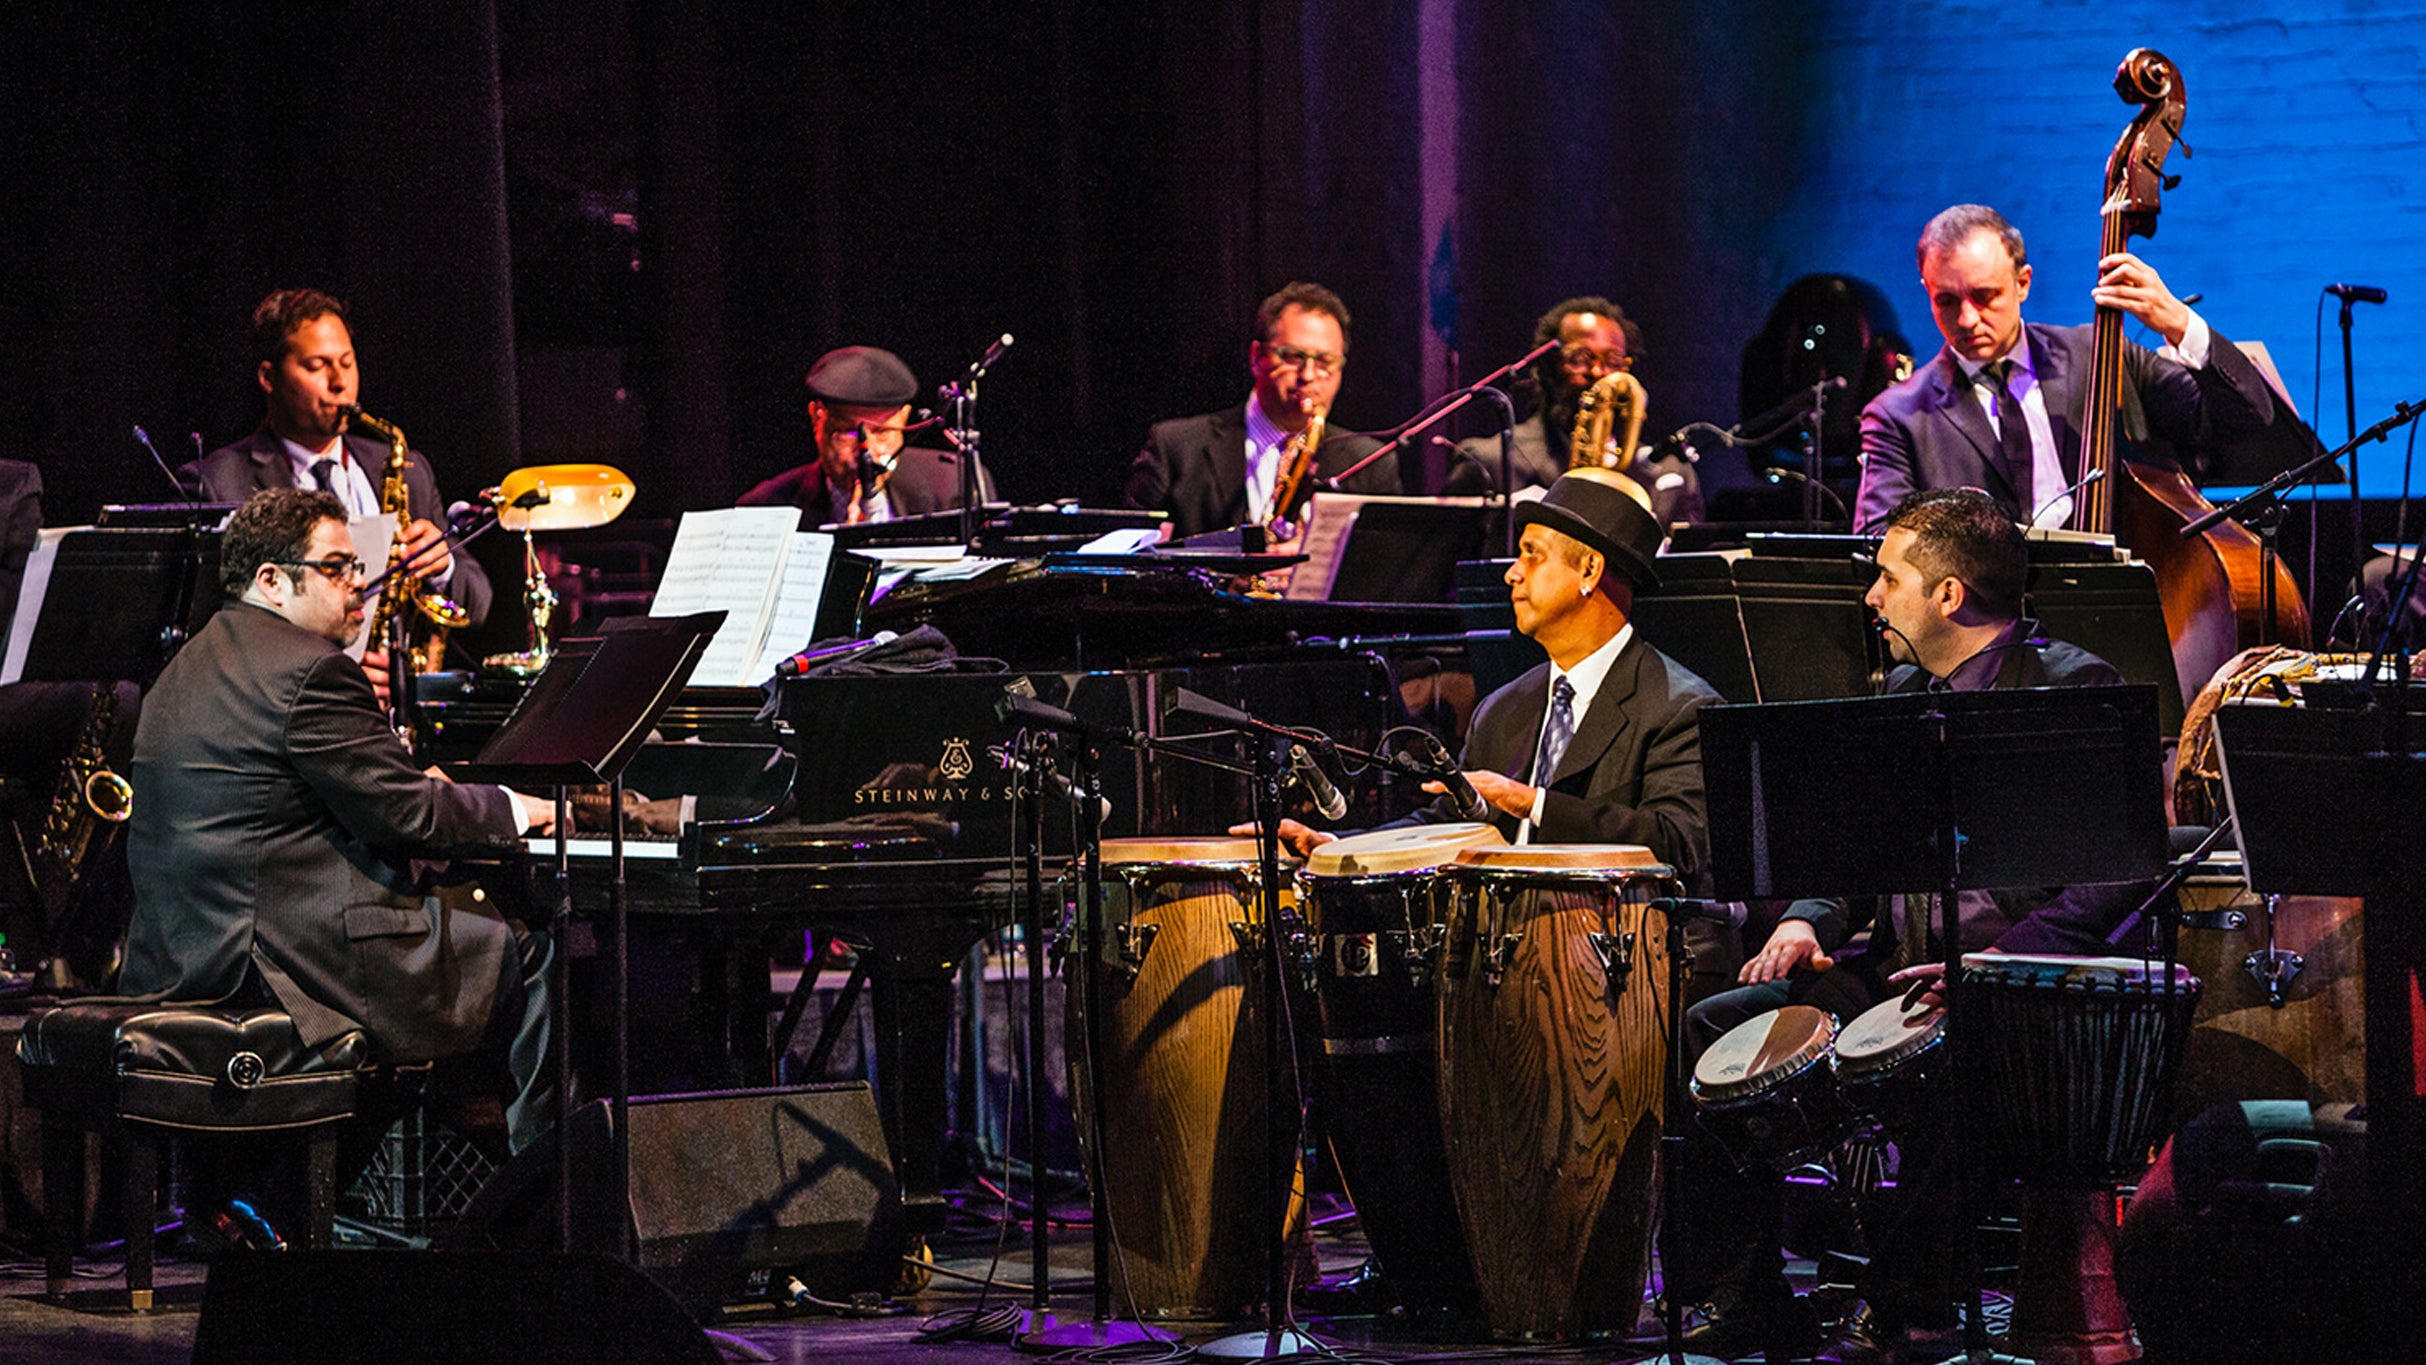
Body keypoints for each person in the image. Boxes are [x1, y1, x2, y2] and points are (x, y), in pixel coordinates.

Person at [1665, 488, 2137, 1365]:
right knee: (1710, 1029)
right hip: (1895, 973)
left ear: (1949, 594)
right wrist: (1808, 917)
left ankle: (1905, 1305)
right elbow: (1851, 852)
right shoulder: (1902, 689)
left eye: (1887, 577)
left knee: (1952, 1060)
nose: (1872, 597)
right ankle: (1745, 1292)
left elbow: (2119, 877)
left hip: (2016, 984)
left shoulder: (2073, 688)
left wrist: (1994, 962)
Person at [119, 488, 557, 1154]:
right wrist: (518, 807)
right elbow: (410, 813)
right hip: (283, 963)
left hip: (185, 955)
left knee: (463, 922)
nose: (359, 583)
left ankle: (435, 1178)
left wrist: (410, 790)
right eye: (335, 567)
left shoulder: (188, 665)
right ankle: (542, 1189)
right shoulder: (312, 670)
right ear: (271, 580)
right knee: (538, 950)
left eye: (357, 565)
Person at [1856, 204, 2282, 534]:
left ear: (2023, 283)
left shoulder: (2102, 354)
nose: (1967, 319)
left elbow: (2245, 419)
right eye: (1946, 301)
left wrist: (2179, 323)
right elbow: (1879, 540)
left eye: (1984, 296)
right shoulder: (1897, 415)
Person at [186, 289, 492, 640]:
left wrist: (442, 567)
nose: (339, 383)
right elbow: (208, 630)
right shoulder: (217, 483)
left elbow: (479, 602)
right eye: (316, 366)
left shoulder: (409, 470)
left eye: (347, 363)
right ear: (269, 378)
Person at [1125, 281, 1398, 539]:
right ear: (1257, 357)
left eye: (1325, 361)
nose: (1308, 375)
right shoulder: (1176, 448)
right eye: (1293, 356)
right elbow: (1130, 556)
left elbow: (1388, 565)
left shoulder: (1370, 464)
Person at [1446, 295, 1704, 525]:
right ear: (1548, 367)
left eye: (1613, 361)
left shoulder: (1672, 474)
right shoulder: (1488, 462)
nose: (1598, 372)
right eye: (1580, 359)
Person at [738, 345, 993, 523]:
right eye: (848, 432)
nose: (867, 452)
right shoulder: (763, 508)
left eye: (882, 432)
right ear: (817, 418)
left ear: (904, 417)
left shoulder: (954, 484)